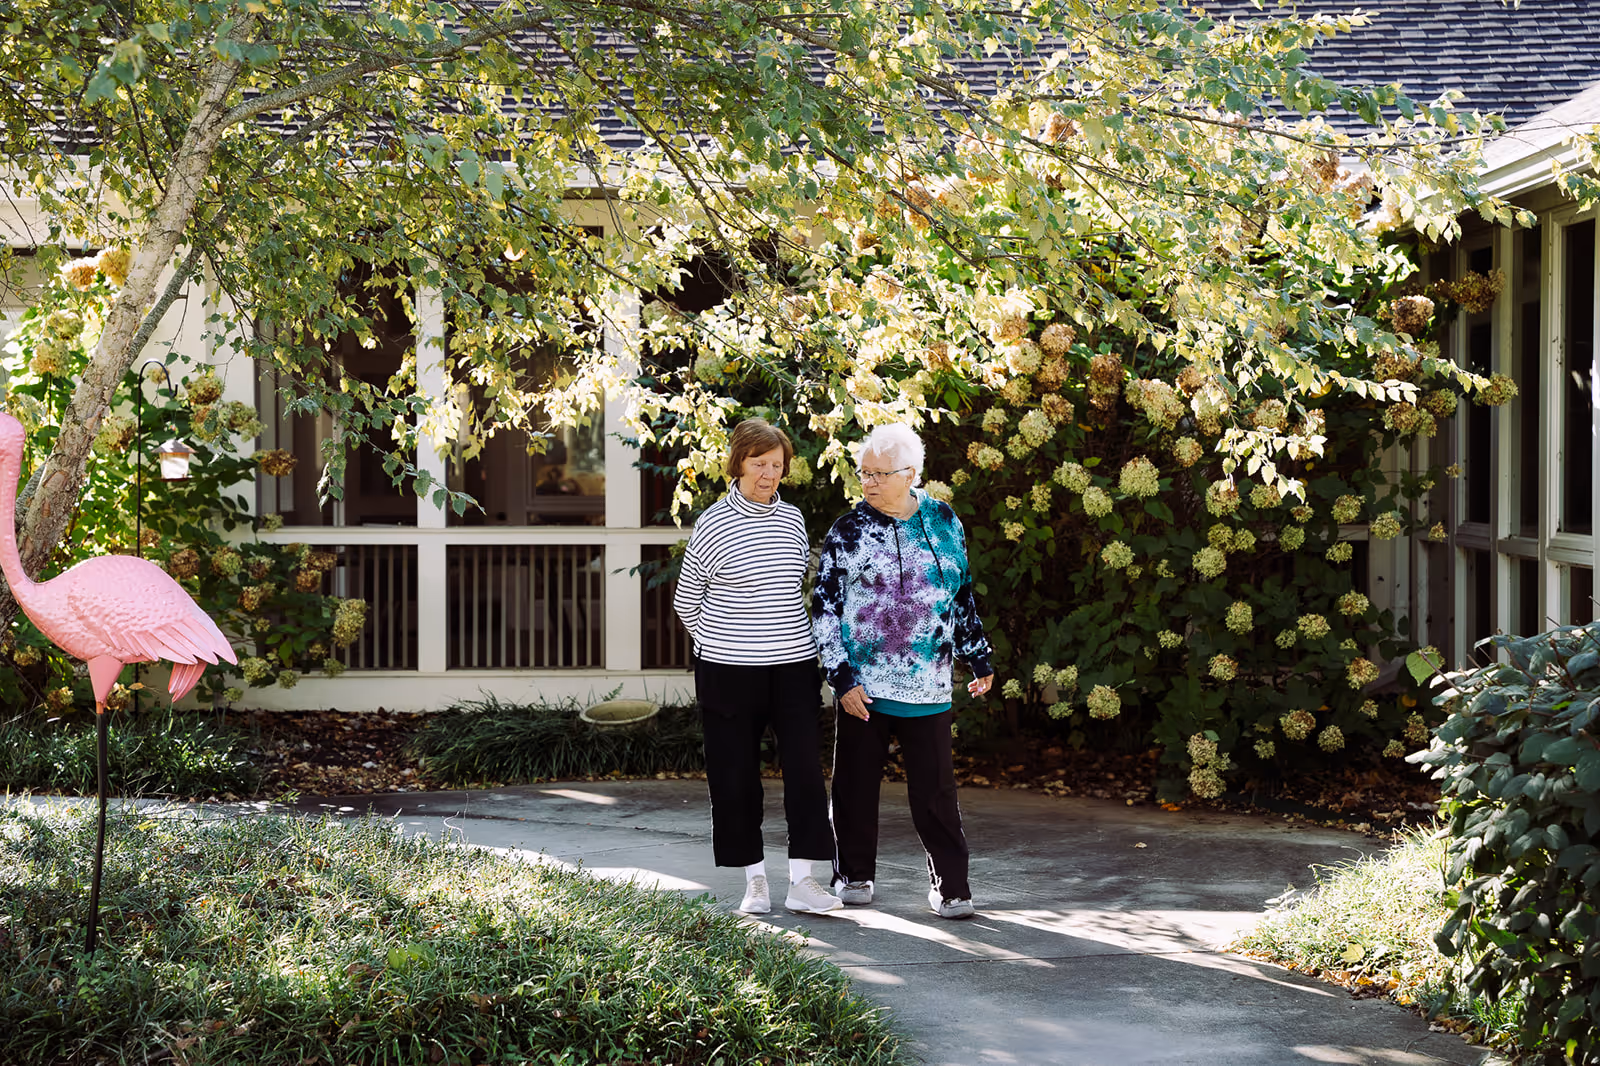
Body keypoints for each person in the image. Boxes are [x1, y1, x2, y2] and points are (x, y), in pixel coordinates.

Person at [813, 422, 996, 920]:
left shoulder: (943, 520)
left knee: (936, 792)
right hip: (864, 688)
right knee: (853, 789)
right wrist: (842, 678)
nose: (867, 483)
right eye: (862, 473)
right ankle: (852, 875)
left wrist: (977, 657)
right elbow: (825, 610)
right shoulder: (848, 530)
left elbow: (960, 594)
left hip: (929, 680)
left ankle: (953, 887)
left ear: (910, 474)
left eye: (878, 473)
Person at [672, 417, 842, 916]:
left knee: (806, 776)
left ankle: (803, 882)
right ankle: (755, 884)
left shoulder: (792, 519)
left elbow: (795, 590)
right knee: (736, 777)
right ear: (738, 463)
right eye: (758, 463)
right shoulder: (713, 522)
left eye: (776, 464)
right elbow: (688, 602)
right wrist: (719, 645)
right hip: (729, 671)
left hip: (792, 667)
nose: (768, 473)